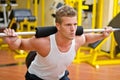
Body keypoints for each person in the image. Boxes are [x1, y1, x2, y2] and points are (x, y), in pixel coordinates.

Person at [3, 5, 112, 80]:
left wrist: (102, 35)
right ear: (58, 26)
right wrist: (12, 40)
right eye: (68, 25)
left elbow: (87, 38)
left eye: (75, 24)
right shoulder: (44, 43)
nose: (73, 29)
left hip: (59, 77)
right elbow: (20, 44)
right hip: (37, 77)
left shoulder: (78, 40)